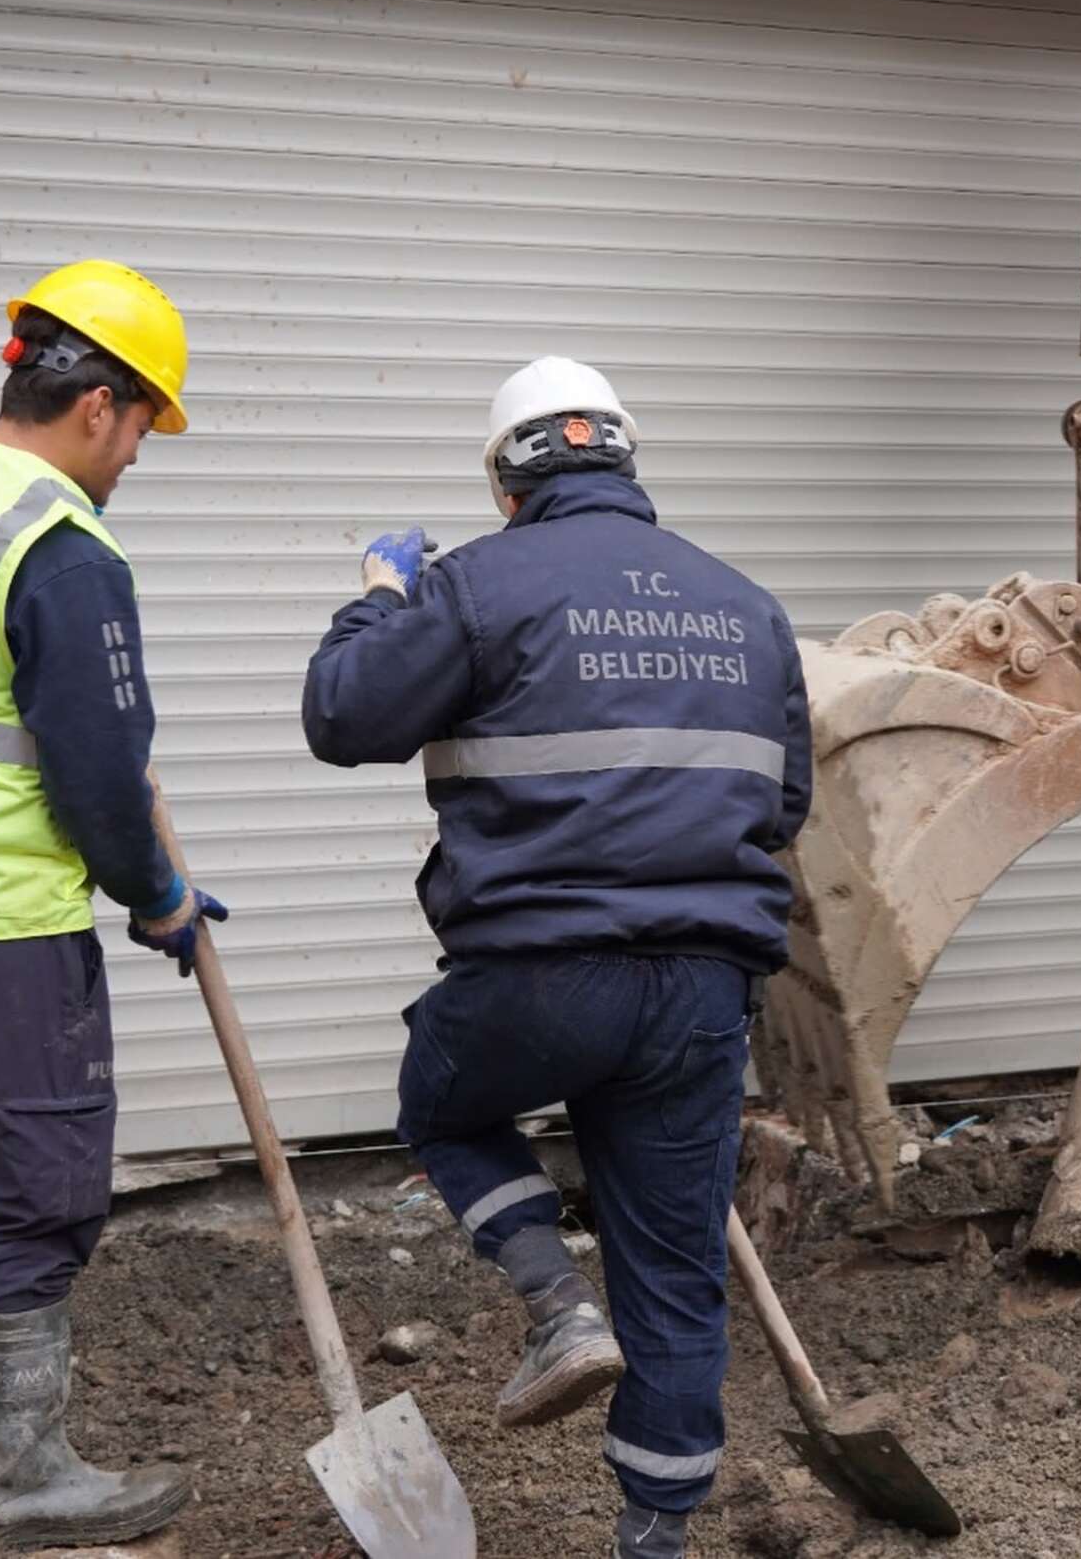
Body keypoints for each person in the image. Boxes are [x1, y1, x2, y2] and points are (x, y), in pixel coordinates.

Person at [303, 356, 812, 1559]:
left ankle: (553, 1302)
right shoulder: (746, 606)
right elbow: (780, 808)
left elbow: (342, 718)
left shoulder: (476, 588)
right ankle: (656, 1534)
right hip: (701, 991)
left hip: (537, 975)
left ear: (505, 480)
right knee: (676, 1269)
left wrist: (380, 596)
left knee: (438, 1096)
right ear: (625, 462)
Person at [0, 259, 227, 1546]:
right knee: (42, 1195)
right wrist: (156, 898)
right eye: (144, 426)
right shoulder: (63, 548)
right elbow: (97, 778)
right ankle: (26, 1476)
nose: (138, 455)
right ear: (99, 405)